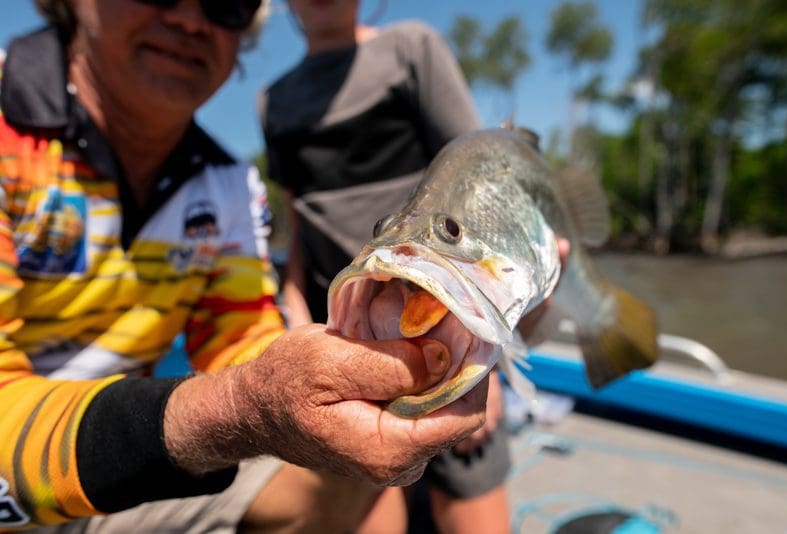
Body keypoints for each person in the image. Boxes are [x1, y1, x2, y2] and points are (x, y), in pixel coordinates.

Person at [0, 1, 491, 532]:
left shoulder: (227, 184)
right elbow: (240, 392)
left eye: (225, 4)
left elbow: (243, 342)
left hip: (111, 474)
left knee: (357, 477)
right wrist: (237, 404)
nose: (190, 19)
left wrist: (351, 371)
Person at [261, 1, 512, 532]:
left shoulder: (410, 49)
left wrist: (494, 365)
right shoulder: (272, 102)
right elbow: (297, 222)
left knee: (467, 481)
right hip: (352, 340)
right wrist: (295, 304)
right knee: (364, 490)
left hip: (453, 334)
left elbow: (477, 184)